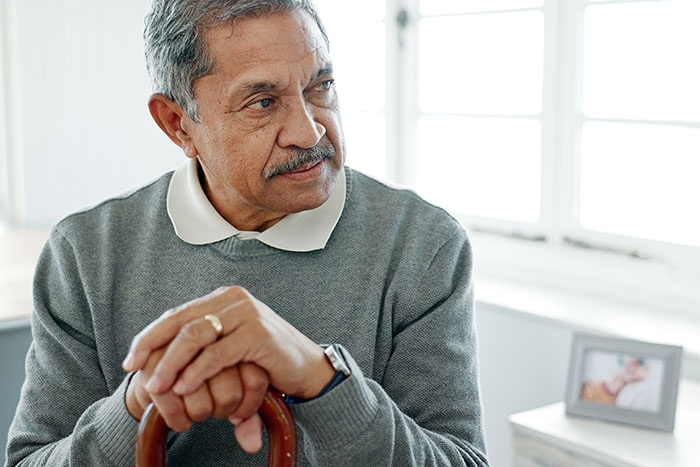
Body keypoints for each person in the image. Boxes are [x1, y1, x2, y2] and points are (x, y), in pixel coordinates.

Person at [5, 0, 488, 465]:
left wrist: (325, 382)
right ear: (178, 125)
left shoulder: (424, 244)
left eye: (321, 87)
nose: (310, 131)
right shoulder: (84, 253)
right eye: (263, 102)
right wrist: (135, 407)